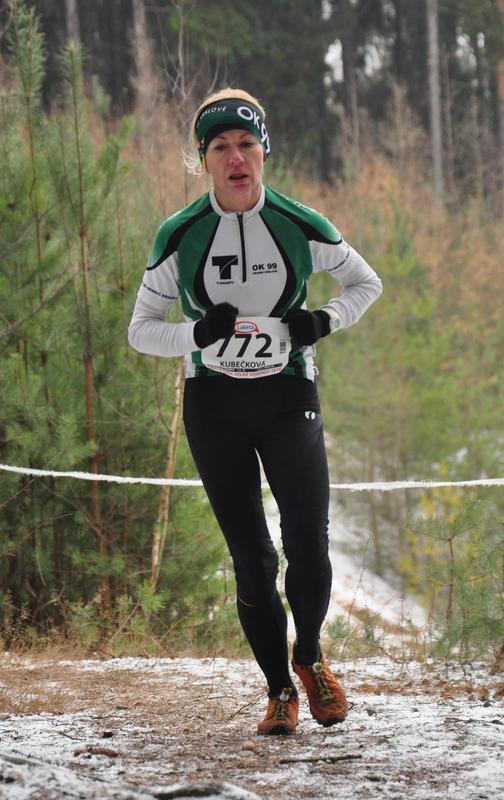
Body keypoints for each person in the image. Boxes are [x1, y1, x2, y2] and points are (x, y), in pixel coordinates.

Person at [128, 88, 382, 736]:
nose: (235, 158)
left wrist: (323, 320)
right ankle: (278, 691)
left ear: (264, 149)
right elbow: (140, 330)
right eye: (220, 147)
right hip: (214, 405)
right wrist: (194, 335)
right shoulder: (179, 235)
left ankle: (310, 658)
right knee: (252, 560)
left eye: (246, 144)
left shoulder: (300, 223)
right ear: (204, 159)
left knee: (309, 545)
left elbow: (366, 283)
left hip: (288, 397)